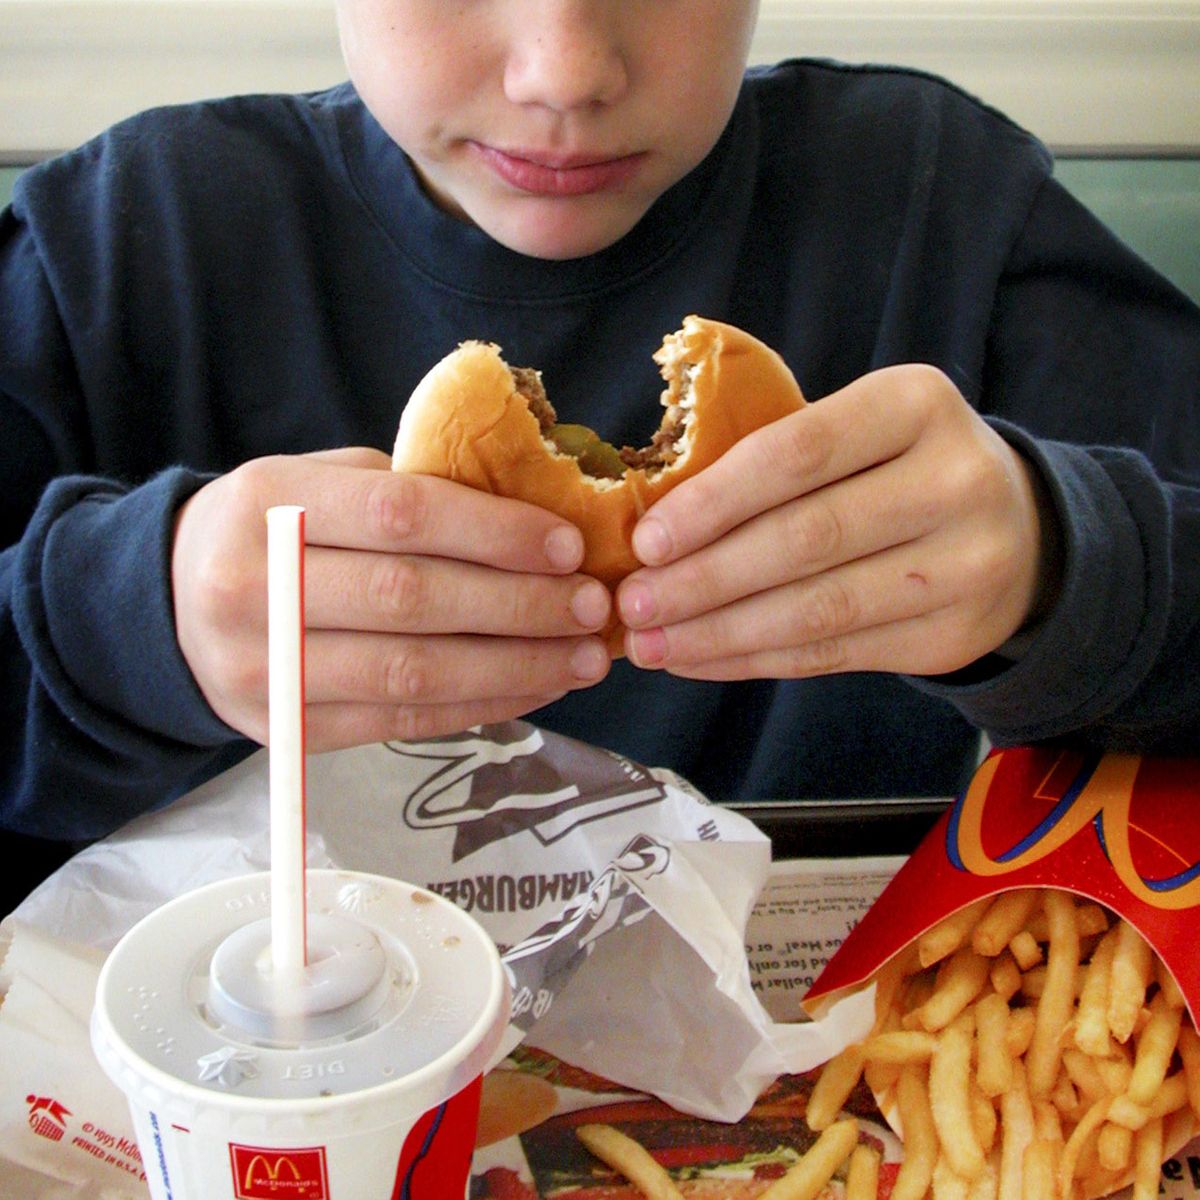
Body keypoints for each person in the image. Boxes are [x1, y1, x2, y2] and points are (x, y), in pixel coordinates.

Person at [1, 0, 1197, 881]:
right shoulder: (117, 247)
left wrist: (1071, 564)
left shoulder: (943, 205)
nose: (565, 70)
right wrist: (119, 630)